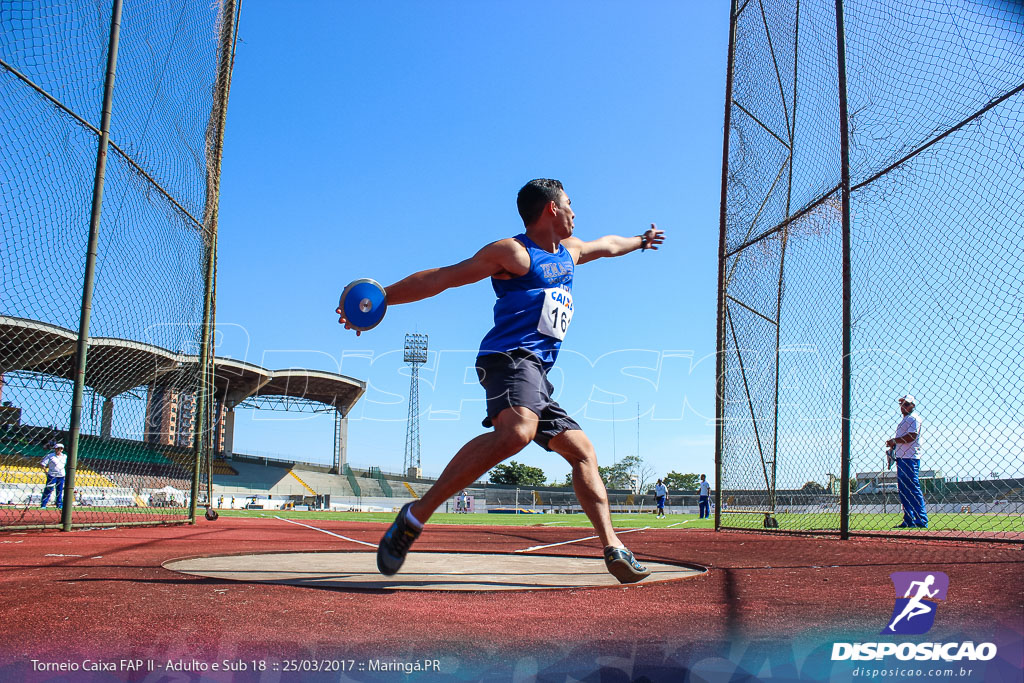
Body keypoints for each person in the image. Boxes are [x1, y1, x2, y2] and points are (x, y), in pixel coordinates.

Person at [338, 178, 665, 583]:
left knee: (582, 451)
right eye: (569, 204)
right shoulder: (513, 253)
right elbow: (444, 277)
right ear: (551, 208)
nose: (575, 213)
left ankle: (614, 547)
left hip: (538, 376)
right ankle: (415, 516)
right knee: (518, 432)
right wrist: (382, 297)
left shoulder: (570, 252)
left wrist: (641, 239)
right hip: (508, 359)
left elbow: (610, 244)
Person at [886, 394, 927, 529]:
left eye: (906, 404)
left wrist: (894, 441)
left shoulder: (913, 418)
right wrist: (894, 446)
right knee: (904, 490)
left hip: (910, 458)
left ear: (913, 405)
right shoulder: (905, 420)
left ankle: (921, 519)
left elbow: (912, 436)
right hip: (903, 458)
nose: (903, 406)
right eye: (902, 404)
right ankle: (909, 519)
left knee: (912, 488)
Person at [40, 443, 67, 509]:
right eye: (58, 448)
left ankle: (59, 504)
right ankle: (43, 504)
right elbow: (43, 464)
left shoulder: (65, 456)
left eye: (61, 448)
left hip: (61, 475)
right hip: (52, 475)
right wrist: (46, 472)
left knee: (59, 490)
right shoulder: (50, 456)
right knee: (48, 490)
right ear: (55, 449)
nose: (59, 450)